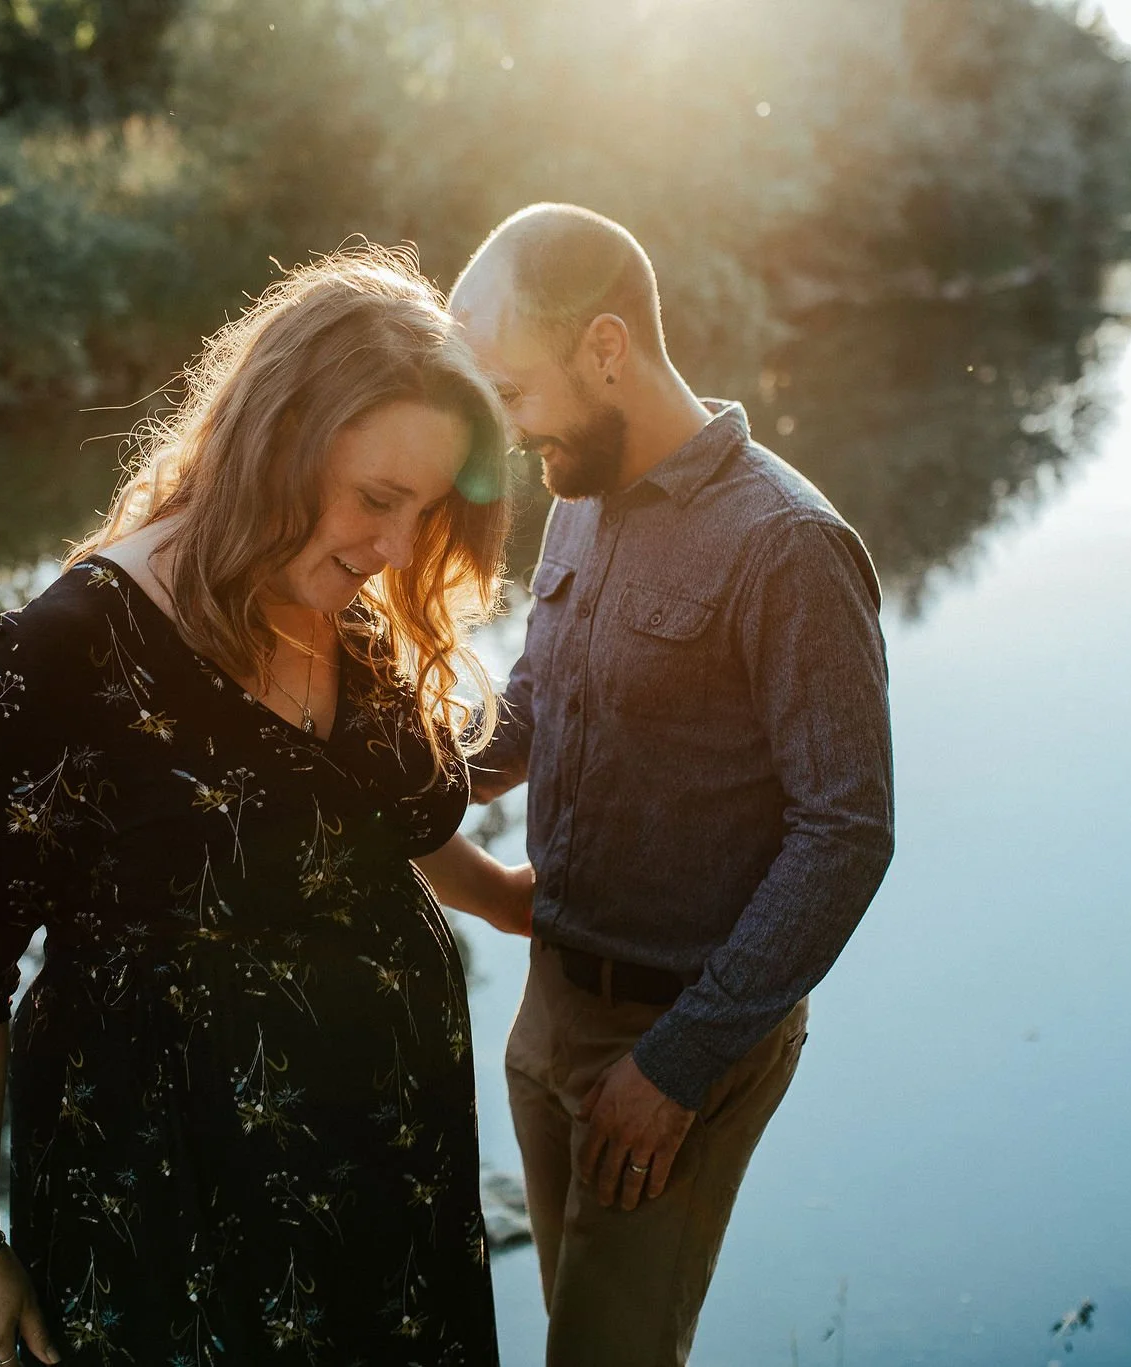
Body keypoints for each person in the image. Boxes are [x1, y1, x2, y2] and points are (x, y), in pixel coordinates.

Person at [0, 246, 535, 1367]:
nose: (395, 547)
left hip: (392, 1177)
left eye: (423, 508)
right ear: (276, 440)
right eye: (376, 499)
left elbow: (384, 815)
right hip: (170, 1203)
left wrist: (499, 897)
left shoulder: (347, 613)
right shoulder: (67, 649)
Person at [450, 204, 897, 1366]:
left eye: (512, 391)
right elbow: (539, 704)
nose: (506, 431)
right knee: (574, 1334)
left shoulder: (786, 545)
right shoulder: (575, 491)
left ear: (605, 349)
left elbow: (845, 834)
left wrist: (676, 1064)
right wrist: (408, 762)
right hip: (550, 999)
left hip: (675, 1036)